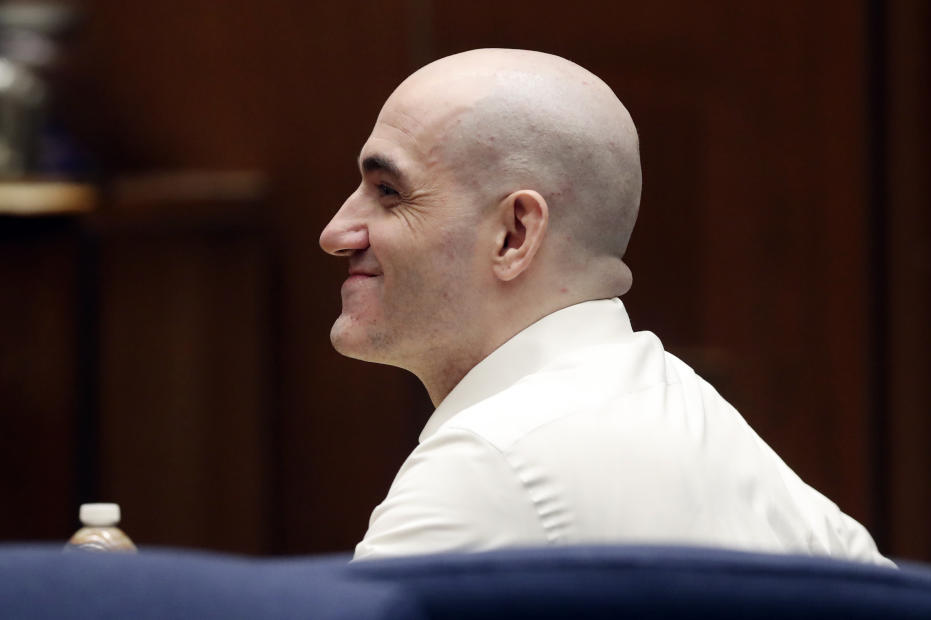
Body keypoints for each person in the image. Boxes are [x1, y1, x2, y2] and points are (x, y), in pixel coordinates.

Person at [319, 48, 892, 566]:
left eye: (389, 193)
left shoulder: (487, 461)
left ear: (515, 234)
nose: (336, 232)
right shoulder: (707, 429)